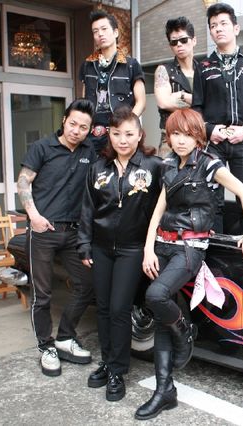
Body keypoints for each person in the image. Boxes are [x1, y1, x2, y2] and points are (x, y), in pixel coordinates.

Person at [134, 109, 243, 420]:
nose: (180, 140)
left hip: (190, 248)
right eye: (175, 134)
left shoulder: (209, 164)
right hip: (163, 244)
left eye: (187, 134)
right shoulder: (168, 165)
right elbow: (159, 210)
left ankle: (185, 331)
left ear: (198, 137)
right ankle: (164, 390)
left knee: (155, 296)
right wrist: (148, 248)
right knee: (161, 314)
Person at [78, 106, 163, 401]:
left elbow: (164, 206)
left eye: (129, 134)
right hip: (101, 248)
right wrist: (84, 244)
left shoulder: (154, 166)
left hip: (132, 249)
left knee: (119, 309)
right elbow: (87, 209)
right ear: (109, 136)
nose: (122, 140)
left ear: (140, 135)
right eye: (116, 134)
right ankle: (107, 361)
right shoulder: (98, 168)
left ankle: (117, 370)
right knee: (102, 308)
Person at [17, 99, 97, 377]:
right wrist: (34, 216)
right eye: (73, 124)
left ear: (89, 130)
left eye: (83, 127)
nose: (77, 130)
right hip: (43, 231)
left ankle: (65, 337)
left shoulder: (89, 151)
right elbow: (23, 181)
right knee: (42, 294)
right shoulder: (42, 147)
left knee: (86, 285)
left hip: (74, 232)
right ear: (64, 120)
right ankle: (45, 346)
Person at [192, 2, 243, 233]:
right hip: (214, 143)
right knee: (212, 199)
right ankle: (215, 247)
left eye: (223, 23)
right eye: (213, 25)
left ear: (236, 28)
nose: (218, 28)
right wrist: (209, 130)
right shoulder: (203, 67)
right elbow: (197, 107)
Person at [80, 9, 146, 154]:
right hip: (94, 134)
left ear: (115, 32)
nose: (100, 34)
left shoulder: (131, 64)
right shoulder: (87, 65)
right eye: (95, 31)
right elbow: (84, 101)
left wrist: (126, 127)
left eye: (104, 29)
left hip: (120, 133)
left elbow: (141, 102)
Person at [154, 16, 200, 159]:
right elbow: (163, 103)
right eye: (174, 42)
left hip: (198, 136)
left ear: (194, 40)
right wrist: (198, 104)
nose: (179, 45)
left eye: (183, 40)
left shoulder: (203, 71)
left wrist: (182, 96)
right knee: (167, 172)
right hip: (170, 137)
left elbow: (211, 104)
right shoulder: (164, 70)